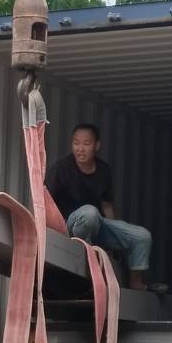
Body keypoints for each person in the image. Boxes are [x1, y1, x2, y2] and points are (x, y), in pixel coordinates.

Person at [46, 121, 156, 292]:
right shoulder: (62, 168)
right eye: (76, 143)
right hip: (68, 225)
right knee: (89, 212)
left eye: (86, 143)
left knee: (142, 236)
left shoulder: (104, 170)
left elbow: (107, 205)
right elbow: (44, 200)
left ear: (97, 145)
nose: (80, 148)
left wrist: (114, 241)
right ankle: (89, 264)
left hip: (96, 223)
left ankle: (136, 282)